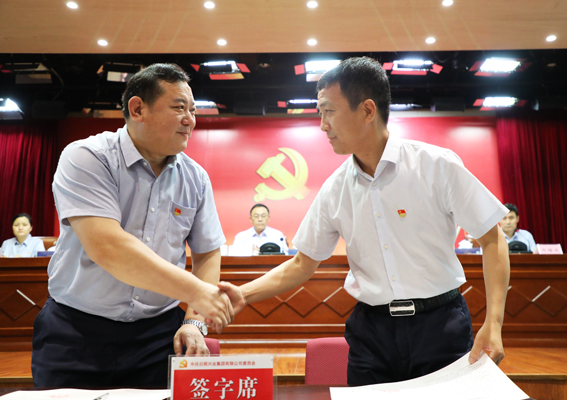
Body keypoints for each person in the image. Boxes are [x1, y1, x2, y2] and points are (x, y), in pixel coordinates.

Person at [219, 57, 510, 386]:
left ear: (368, 110)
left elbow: (492, 238)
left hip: (440, 327)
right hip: (372, 333)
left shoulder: (436, 165)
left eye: (329, 111)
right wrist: (243, 294)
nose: (322, 125)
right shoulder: (335, 188)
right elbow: (301, 264)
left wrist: (494, 322)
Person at [31, 63, 234, 388]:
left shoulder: (195, 178)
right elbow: (108, 248)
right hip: (76, 331)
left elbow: (207, 253)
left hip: (159, 335)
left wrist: (195, 321)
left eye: (193, 111)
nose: (190, 120)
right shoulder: (88, 157)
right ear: (138, 109)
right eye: (179, 107)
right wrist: (197, 291)